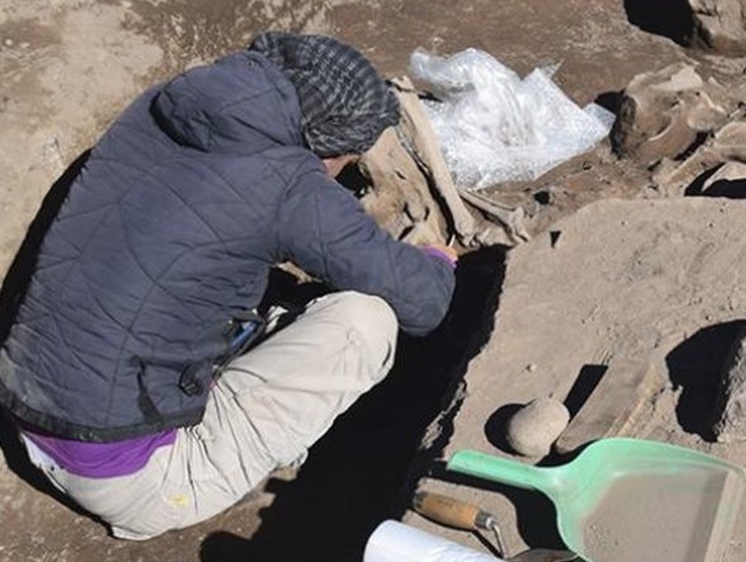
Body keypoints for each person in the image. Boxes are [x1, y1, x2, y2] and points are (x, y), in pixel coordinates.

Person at [0, 32, 457, 539]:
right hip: (130, 480)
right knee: (364, 324)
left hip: (27, 412)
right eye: (347, 159)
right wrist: (439, 259)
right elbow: (425, 301)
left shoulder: (160, 107)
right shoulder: (288, 183)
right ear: (328, 146)